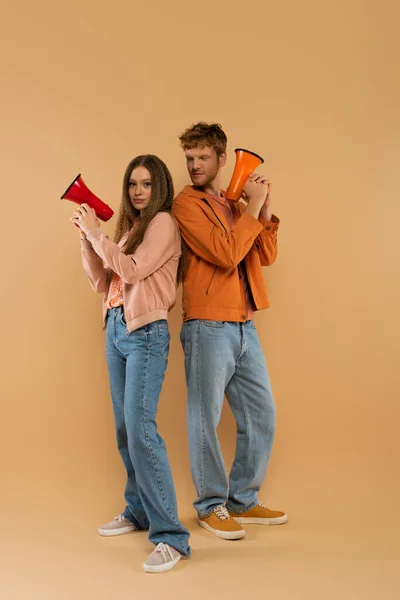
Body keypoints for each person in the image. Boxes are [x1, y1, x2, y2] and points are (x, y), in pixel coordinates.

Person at [71, 154, 190, 573]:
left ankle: (171, 535)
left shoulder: (162, 224)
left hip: (145, 335)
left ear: (158, 187)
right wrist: (88, 241)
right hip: (116, 329)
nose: (138, 192)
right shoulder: (130, 230)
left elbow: (134, 271)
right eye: (132, 185)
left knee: (141, 431)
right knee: (125, 430)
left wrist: (97, 234)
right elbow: (103, 282)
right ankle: (139, 509)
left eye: (145, 184)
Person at [172, 122, 287, 540]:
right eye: (189, 158)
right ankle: (209, 505)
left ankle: (242, 498)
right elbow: (225, 254)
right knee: (205, 417)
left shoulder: (236, 204)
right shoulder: (185, 205)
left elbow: (266, 255)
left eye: (203, 157)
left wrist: (264, 205)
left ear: (222, 159)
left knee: (262, 415)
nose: (195, 165)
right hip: (206, 323)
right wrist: (251, 209)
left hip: (244, 323)